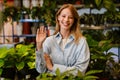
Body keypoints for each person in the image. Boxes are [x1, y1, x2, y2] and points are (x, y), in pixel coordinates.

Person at [35, 4, 90, 75]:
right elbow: (41, 70)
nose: (66, 20)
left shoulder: (81, 42)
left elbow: (80, 71)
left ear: (74, 21)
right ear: (58, 17)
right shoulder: (49, 41)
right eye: (63, 16)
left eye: (70, 17)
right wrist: (39, 45)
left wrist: (53, 68)